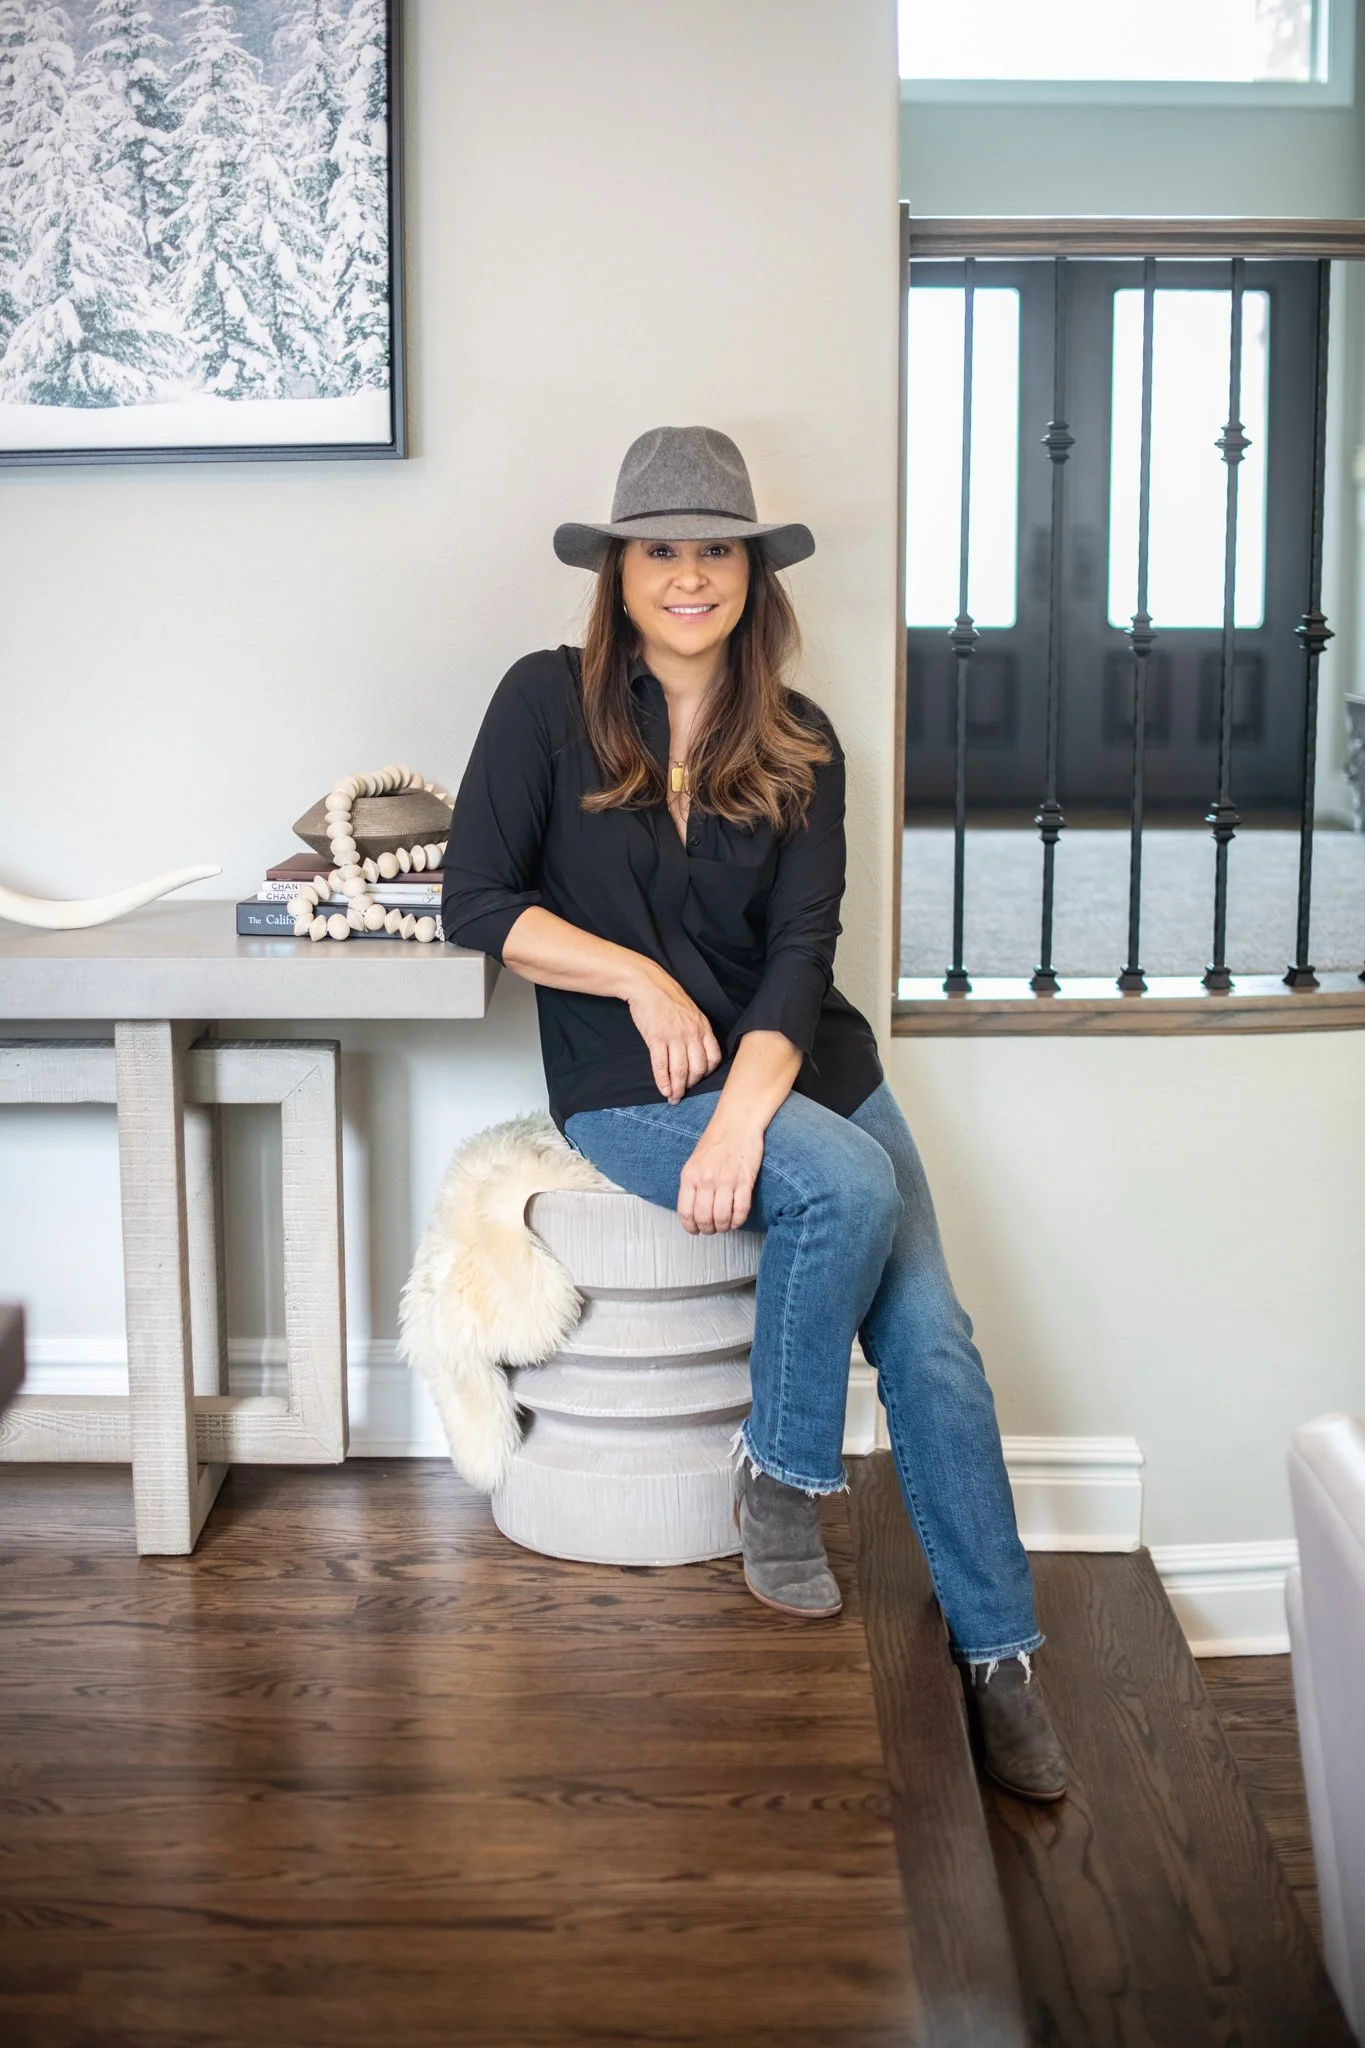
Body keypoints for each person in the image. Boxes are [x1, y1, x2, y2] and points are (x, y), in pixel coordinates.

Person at [441, 425, 1067, 1802]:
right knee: (845, 1186)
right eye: (661, 550)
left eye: (715, 550)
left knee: (936, 1344)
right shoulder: (543, 702)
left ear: (751, 573)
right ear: (617, 573)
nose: (689, 575)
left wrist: (744, 1119)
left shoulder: (802, 739)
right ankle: (784, 1475)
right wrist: (642, 979)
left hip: (803, 1063)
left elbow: (801, 955)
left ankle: (1000, 1652)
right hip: (630, 1084)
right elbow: (476, 904)